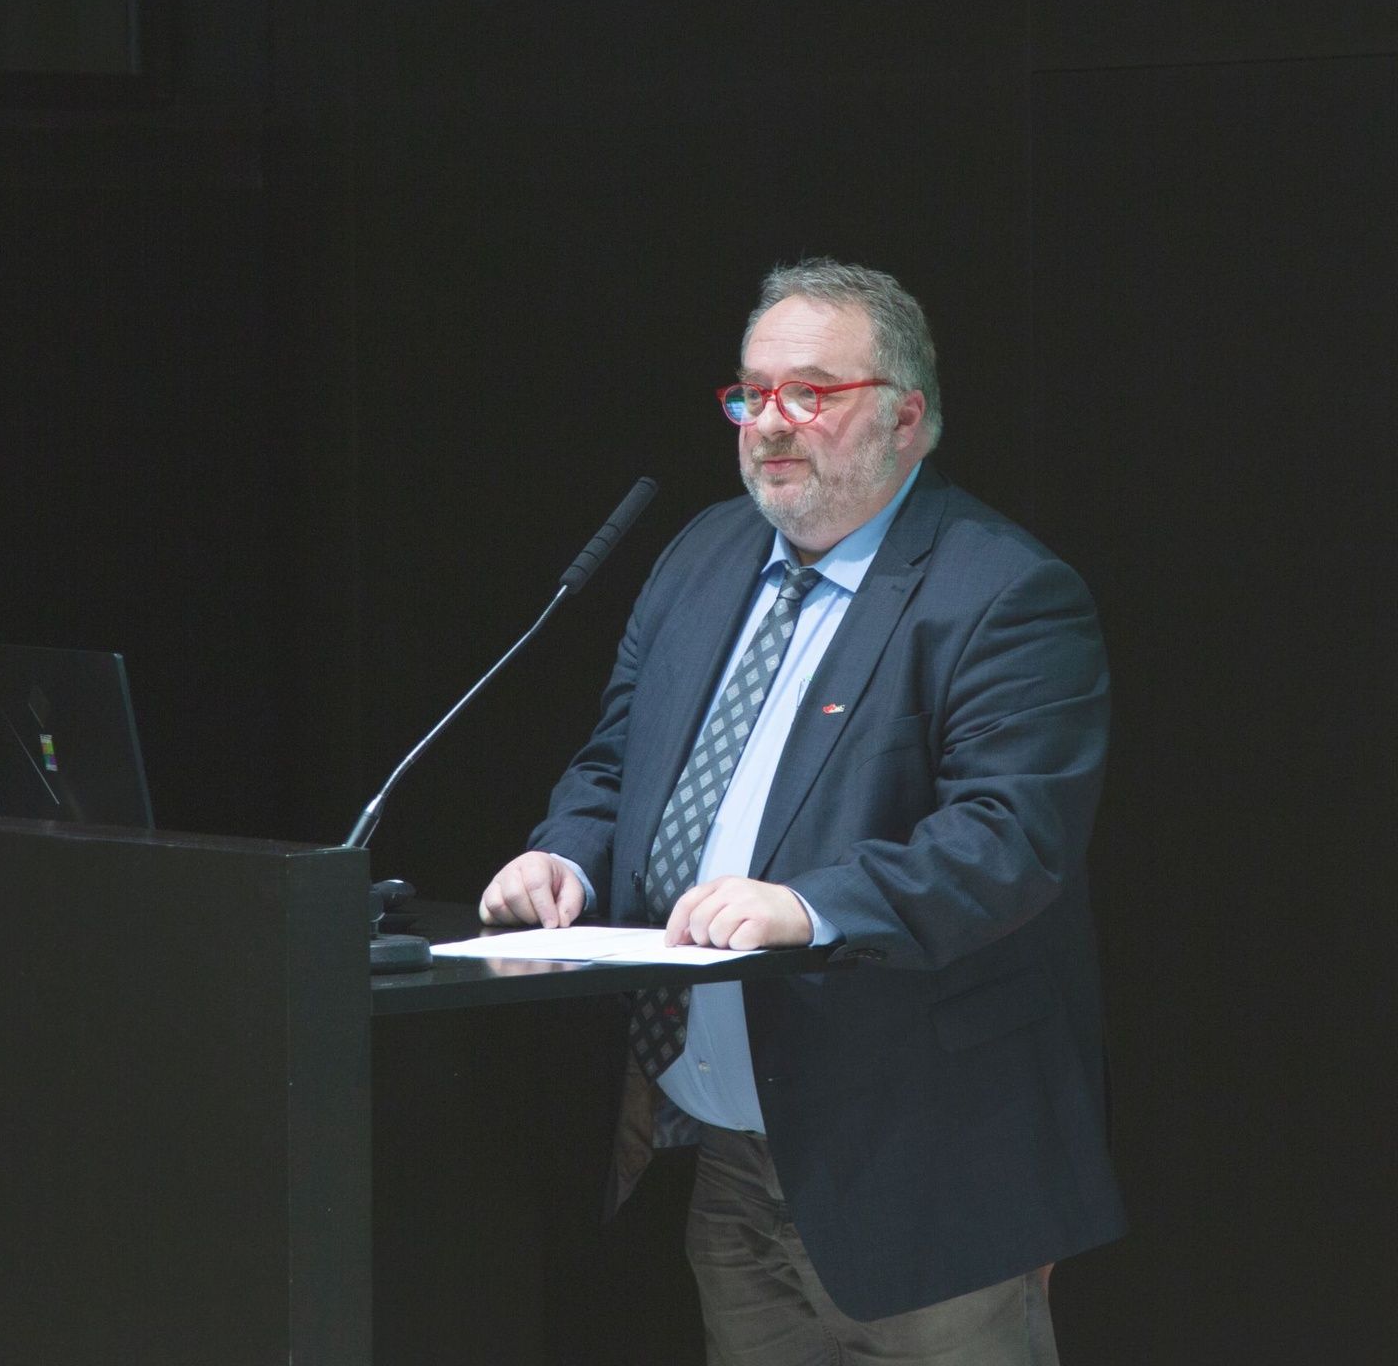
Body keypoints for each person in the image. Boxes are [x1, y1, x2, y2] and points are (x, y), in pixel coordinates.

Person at [479, 259, 1125, 1364]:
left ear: (905, 417)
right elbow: (615, 764)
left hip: (922, 1154)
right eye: (752, 393)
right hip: (729, 1151)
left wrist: (810, 907)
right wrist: (566, 859)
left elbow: (1010, 838)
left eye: (811, 393)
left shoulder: (1003, 591)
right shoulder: (702, 554)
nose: (771, 423)